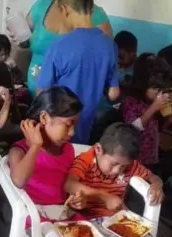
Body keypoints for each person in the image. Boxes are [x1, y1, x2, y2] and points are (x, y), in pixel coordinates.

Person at [9, 87, 117, 237]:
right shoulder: (21, 150)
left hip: (66, 217)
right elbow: (18, 181)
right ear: (44, 119)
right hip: (37, 222)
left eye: (74, 125)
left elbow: (65, 187)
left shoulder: (67, 150)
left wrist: (76, 199)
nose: (72, 132)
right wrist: (35, 145)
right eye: (68, 125)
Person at [37, 0, 120, 145]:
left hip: (58, 131)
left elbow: (42, 93)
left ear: (65, 9)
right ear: (91, 8)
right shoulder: (109, 44)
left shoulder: (59, 45)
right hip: (87, 128)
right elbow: (114, 93)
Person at [12, 0, 112, 96]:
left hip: (73, 98)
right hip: (38, 95)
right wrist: (19, 38)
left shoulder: (94, 14)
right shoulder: (41, 5)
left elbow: (107, 60)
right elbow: (25, 40)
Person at [120, 53, 172, 168]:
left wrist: (165, 112)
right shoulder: (131, 101)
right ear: (142, 84)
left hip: (151, 157)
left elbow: (165, 123)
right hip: (134, 158)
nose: (159, 93)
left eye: (162, 89)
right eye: (156, 88)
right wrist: (153, 108)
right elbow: (132, 128)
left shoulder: (153, 102)